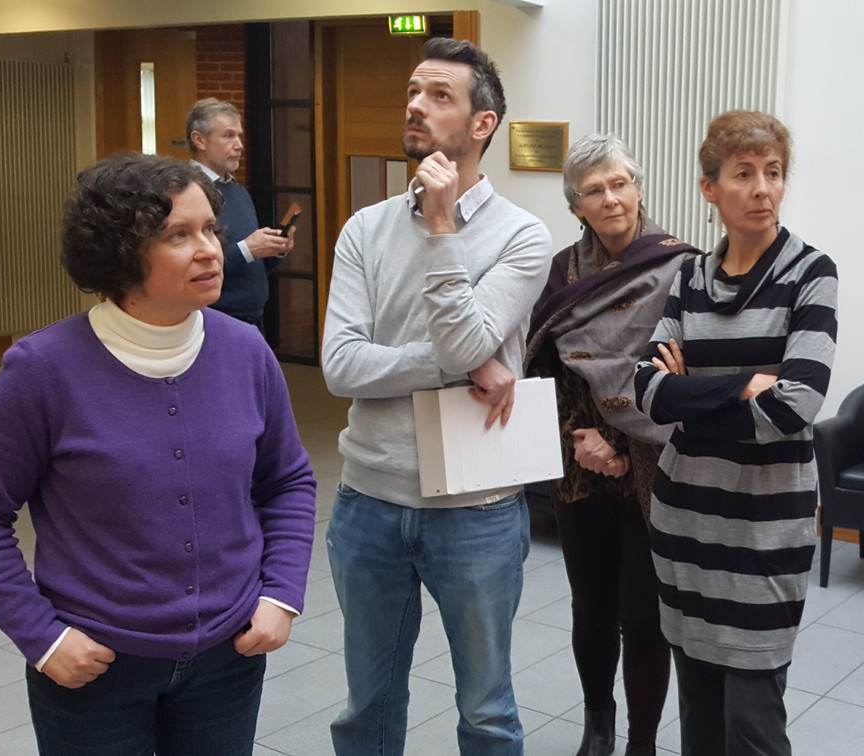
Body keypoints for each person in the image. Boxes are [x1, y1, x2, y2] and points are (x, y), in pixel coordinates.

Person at [0, 153, 317, 755]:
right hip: (96, 669)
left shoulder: (247, 352)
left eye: (210, 230)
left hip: (229, 657)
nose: (210, 250)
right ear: (120, 255)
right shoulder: (43, 370)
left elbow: (288, 482)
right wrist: (41, 637)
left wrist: (280, 595)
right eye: (179, 235)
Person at [319, 37, 553, 756]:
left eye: (440, 95)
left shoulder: (524, 236)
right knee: (368, 706)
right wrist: (466, 364)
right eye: (414, 91)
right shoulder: (365, 229)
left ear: (482, 125)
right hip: (369, 504)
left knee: (486, 710)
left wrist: (445, 227)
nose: (417, 104)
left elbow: (460, 348)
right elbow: (341, 367)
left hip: (474, 513)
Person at [633, 111, 838, 756]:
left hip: (763, 534)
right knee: (697, 716)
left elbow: (794, 405)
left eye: (773, 173)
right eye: (743, 174)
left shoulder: (811, 273)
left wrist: (692, 392)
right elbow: (646, 390)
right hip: (684, 526)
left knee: (751, 729)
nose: (762, 189)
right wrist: (745, 382)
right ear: (709, 189)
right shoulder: (689, 277)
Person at [524, 133, 697, 756]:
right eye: (594, 190)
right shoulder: (564, 272)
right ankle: (598, 726)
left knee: (645, 618)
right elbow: (546, 365)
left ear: (639, 188)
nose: (611, 198)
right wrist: (586, 437)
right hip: (583, 462)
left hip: (656, 462)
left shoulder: (682, 267)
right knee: (590, 605)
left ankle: (642, 743)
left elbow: (684, 370)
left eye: (619, 183)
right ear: (577, 206)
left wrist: (628, 440)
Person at [186, 98, 294, 327]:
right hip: (215, 320)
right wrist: (247, 249)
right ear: (199, 140)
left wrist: (274, 250)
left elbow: (251, 262)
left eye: (239, 136)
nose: (239, 145)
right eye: (228, 136)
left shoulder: (237, 190)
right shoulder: (187, 193)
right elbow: (190, 266)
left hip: (254, 318)